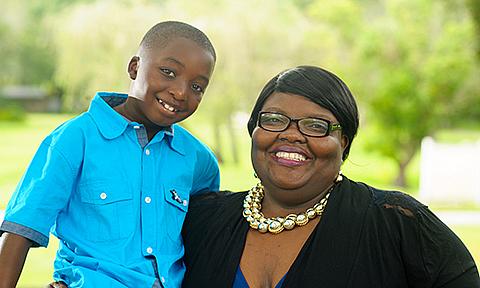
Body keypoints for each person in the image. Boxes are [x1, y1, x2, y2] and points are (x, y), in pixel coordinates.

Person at [181, 66, 480, 287]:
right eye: (273, 120)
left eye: (315, 125)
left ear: (344, 142)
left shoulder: (397, 224)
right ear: (254, 132)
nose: (291, 135)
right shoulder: (202, 220)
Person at [0, 21, 220, 288]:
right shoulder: (75, 139)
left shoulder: (199, 160)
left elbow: (200, 236)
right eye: (168, 72)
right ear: (135, 67)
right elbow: (20, 230)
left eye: (197, 87)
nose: (181, 92)